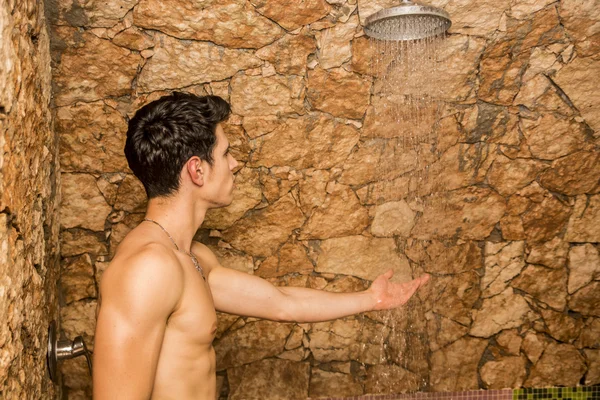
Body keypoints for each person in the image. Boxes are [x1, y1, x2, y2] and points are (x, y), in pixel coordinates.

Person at [93, 92, 430, 400]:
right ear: (197, 170)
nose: (235, 163)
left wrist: (371, 299)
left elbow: (283, 303)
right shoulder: (148, 267)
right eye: (225, 153)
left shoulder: (190, 257)